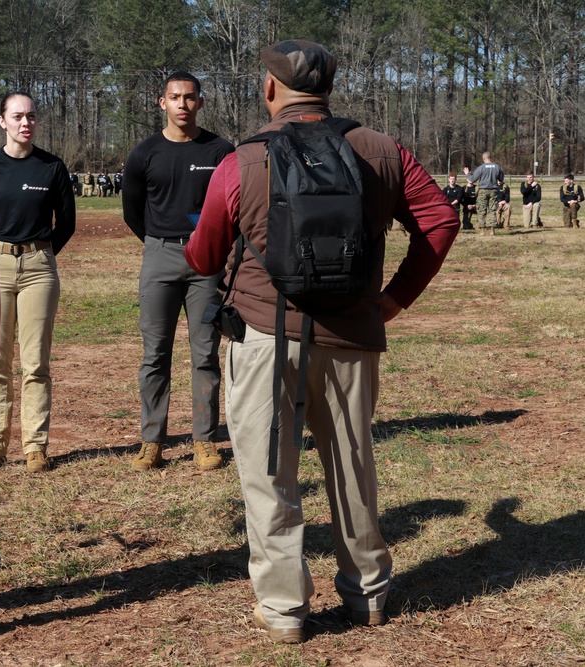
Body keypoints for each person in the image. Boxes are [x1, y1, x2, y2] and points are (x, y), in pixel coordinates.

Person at [184, 39, 458, 644]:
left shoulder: (242, 160)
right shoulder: (381, 150)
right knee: (352, 465)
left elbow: (203, 256)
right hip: (352, 337)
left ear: (269, 89)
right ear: (329, 89)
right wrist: (394, 299)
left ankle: (284, 610)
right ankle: (368, 595)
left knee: (267, 471)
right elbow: (440, 219)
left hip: (262, 336)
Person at [121, 71, 234, 471]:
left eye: (189, 97)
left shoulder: (220, 151)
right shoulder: (144, 153)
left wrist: (210, 249)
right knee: (155, 354)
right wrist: (160, 243)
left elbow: (232, 208)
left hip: (207, 264)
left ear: (200, 102)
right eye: (175, 97)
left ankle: (205, 439)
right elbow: (133, 212)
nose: (182, 105)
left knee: (205, 352)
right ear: (162, 102)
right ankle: (152, 440)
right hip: (160, 256)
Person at [0, 92, 75, 474]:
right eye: (17, 117)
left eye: (31, 116)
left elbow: (67, 222)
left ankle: (35, 446)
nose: (25, 123)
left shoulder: (51, 167)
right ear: (2, 121)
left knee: (35, 363)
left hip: (38, 268)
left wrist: (41, 254)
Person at [463, 152, 504, 234]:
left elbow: (472, 179)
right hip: (494, 190)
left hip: (483, 190)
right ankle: (492, 229)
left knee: (482, 209)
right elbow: (501, 178)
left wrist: (468, 174)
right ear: (490, 157)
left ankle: (482, 230)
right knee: (492, 210)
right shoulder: (497, 167)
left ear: (483, 158)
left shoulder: (481, 168)